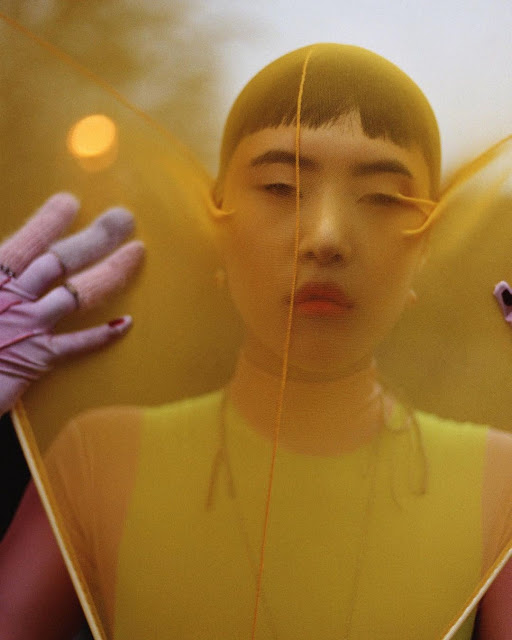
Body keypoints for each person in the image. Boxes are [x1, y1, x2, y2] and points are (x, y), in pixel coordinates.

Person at [0, 43, 511, 640]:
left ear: (422, 250)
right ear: (219, 227)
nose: (326, 238)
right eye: (279, 187)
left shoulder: (497, 478)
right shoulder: (102, 457)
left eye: (382, 199)